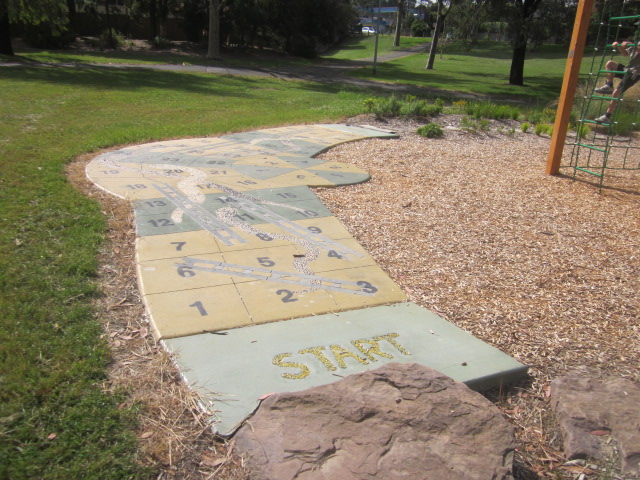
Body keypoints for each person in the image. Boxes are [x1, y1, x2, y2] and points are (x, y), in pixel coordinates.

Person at [594, 40, 640, 123]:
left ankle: (607, 117)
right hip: (628, 69)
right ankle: (609, 85)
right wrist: (618, 45)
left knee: (616, 93)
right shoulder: (638, 42)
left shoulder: (637, 45)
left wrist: (632, 45)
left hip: (635, 73)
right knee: (610, 64)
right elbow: (625, 53)